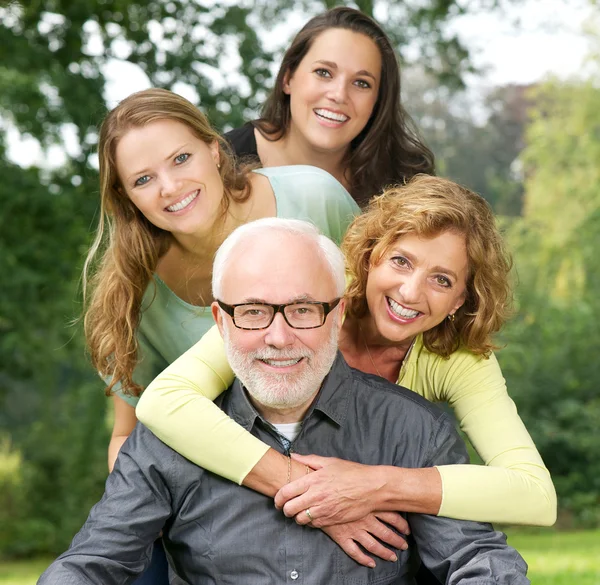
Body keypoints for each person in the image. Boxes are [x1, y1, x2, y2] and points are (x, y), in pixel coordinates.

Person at [39, 219, 530, 585]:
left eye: (302, 310)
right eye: (253, 311)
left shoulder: (413, 429)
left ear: (337, 315)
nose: (278, 337)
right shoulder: (168, 440)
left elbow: (477, 560)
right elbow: (93, 563)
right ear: (221, 319)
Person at [136, 176, 556, 546]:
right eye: (401, 261)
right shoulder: (310, 295)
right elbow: (165, 400)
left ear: (459, 301)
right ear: (372, 257)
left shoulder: (460, 357)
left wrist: (375, 486)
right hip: (243, 519)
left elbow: (534, 493)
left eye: (441, 280)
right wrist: (313, 492)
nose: (411, 292)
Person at [83, 87, 360, 583]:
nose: (169, 187)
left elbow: (386, 321)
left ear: (214, 149)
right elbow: (128, 434)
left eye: (181, 158)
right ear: (126, 196)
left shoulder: (312, 197)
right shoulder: (133, 290)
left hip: (349, 445)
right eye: (144, 179)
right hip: (226, 481)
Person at [224, 6, 434, 206]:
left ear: (378, 100)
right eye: (323, 72)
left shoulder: (405, 185)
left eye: (361, 83)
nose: (339, 95)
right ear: (287, 79)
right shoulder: (221, 162)